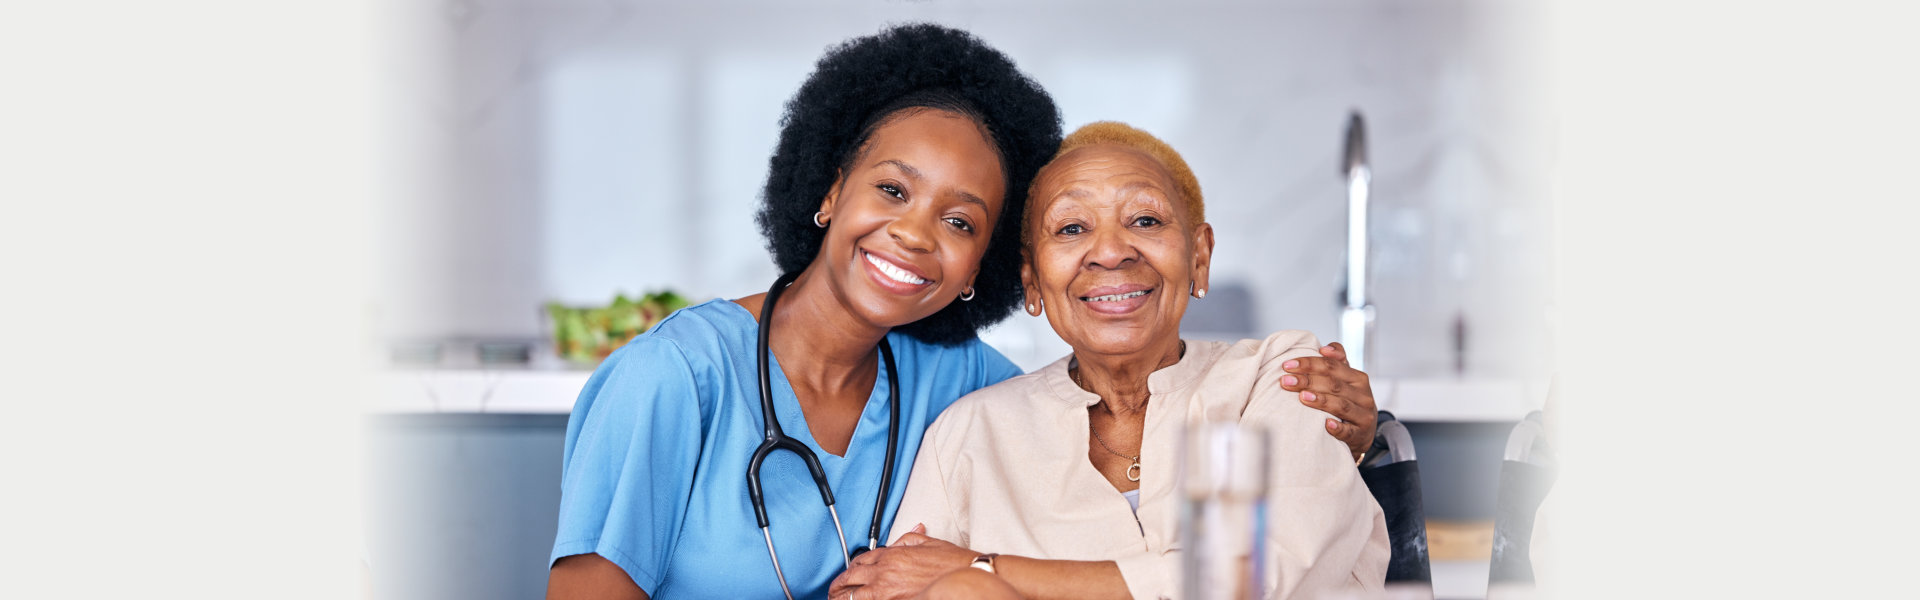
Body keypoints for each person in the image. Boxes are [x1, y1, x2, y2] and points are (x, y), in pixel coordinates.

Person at [546, 24, 1379, 600]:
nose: (914, 234)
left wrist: (1353, 429)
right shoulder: (674, 378)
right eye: (892, 189)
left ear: (987, 266)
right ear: (829, 191)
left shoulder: (959, 386)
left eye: (959, 221)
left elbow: (1225, 562)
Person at [829, 122, 1390, 600]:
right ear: (1031, 280)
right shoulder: (975, 431)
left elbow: (1235, 580)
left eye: (1145, 220)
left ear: (1199, 256)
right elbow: (897, 584)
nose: (1110, 251)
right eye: (1071, 228)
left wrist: (986, 568)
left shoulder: (1264, 381)